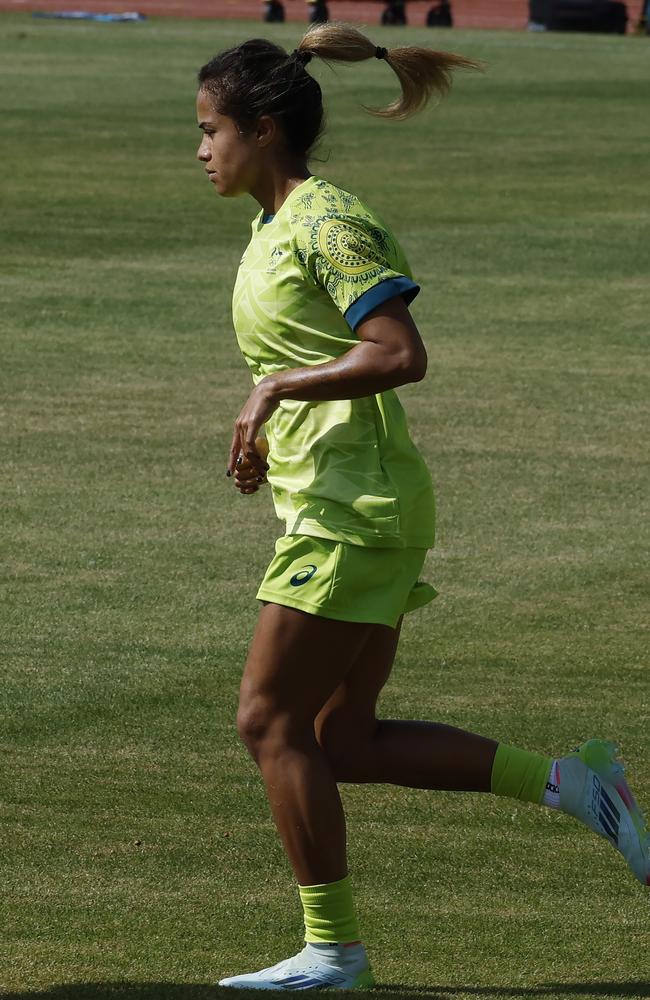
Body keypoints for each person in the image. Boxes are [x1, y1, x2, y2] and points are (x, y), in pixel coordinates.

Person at [195, 23, 649, 991]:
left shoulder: (325, 223)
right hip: (347, 501)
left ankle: (333, 951)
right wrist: (272, 427)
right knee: (340, 740)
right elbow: (315, 360)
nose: (199, 149)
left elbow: (397, 353)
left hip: (352, 513)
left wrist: (274, 394)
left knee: (266, 720)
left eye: (209, 129)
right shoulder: (273, 223)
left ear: (263, 128)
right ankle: (574, 783)